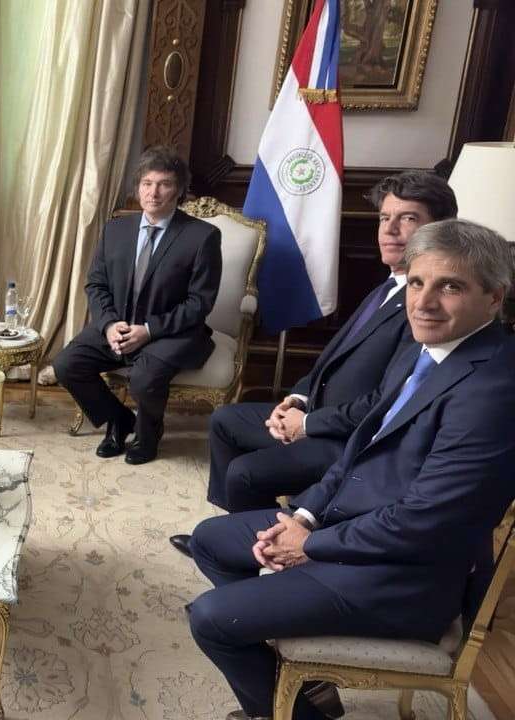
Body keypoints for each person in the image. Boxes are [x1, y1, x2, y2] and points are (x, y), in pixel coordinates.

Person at [187, 219, 515, 720]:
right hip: (353, 532)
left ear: (495, 298)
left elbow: (427, 520)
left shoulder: (494, 388)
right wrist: (304, 518)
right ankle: (304, 683)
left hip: (405, 578)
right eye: (418, 281)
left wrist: (309, 547)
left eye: (451, 286)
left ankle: (293, 712)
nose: (423, 302)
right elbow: (358, 450)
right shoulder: (428, 348)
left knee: (213, 619)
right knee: (211, 539)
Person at [168, 171, 457, 556]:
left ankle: (267, 554)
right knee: (225, 421)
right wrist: (298, 401)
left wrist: (307, 425)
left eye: (407, 219)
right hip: (319, 414)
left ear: (437, 231)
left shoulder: (424, 308)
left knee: (245, 473)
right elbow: (330, 361)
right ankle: (239, 531)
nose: (390, 230)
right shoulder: (388, 286)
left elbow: (385, 403)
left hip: (349, 439)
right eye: (385, 218)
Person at [52, 146, 221, 465]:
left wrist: (149, 330)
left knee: (144, 378)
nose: (153, 192)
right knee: (66, 365)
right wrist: (108, 324)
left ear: (179, 189)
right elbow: (96, 284)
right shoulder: (115, 229)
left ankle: (148, 432)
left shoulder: (202, 237)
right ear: (138, 187)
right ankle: (119, 419)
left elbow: (200, 303)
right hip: (119, 325)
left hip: (172, 332)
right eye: (147, 183)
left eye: (164, 184)